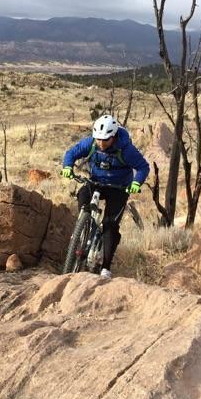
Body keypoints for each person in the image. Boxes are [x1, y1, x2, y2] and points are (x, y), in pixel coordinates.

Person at [61, 114, 149, 279]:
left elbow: (143, 167)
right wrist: (67, 166)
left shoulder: (126, 149)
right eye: (98, 139)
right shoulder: (92, 143)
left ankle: (105, 267)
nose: (101, 143)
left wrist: (136, 182)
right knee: (82, 194)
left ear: (114, 136)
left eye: (105, 140)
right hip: (96, 181)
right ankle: (86, 223)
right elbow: (72, 152)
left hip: (119, 187)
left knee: (110, 225)